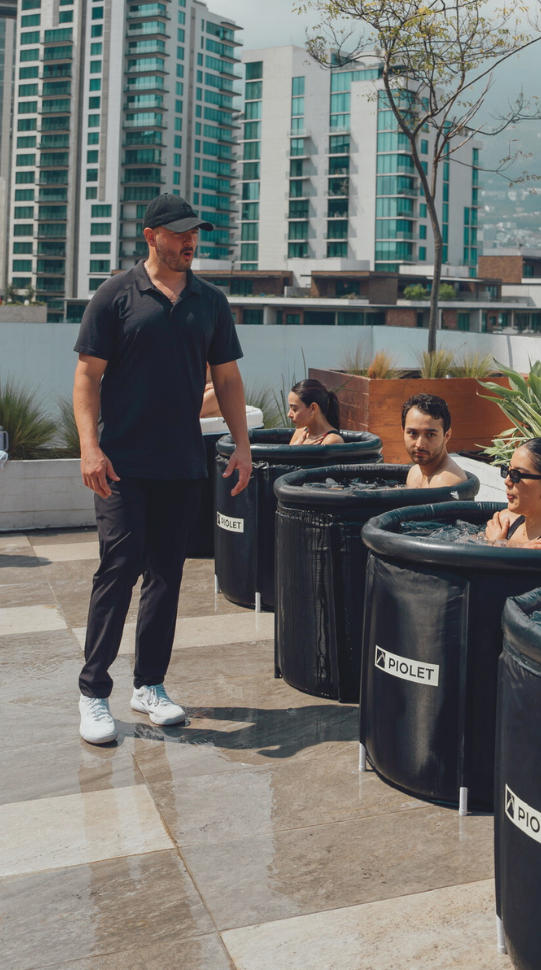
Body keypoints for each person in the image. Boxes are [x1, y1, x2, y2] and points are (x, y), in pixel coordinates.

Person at [73, 193, 252, 745]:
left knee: (166, 576)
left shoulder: (210, 301)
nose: (190, 241)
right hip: (121, 464)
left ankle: (149, 685)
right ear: (151, 236)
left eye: (195, 233)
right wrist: (89, 447)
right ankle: (93, 692)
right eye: (179, 233)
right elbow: (87, 377)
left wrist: (242, 446)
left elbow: (227, 379)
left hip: (182, 463)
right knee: (119, 567)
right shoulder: (115, 296)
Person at [402, 393, 466, 488]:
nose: (419, 444)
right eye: (412, 433)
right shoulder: (414, 472)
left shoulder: (446, 483)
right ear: (403, 432)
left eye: (430, 435)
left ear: (447, 436)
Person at [287, 379, 344, 444]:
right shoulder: (301, 431)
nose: (289, 414)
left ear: (313, 408)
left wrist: (301, 448)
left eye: (294, 409)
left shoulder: (332, 440)